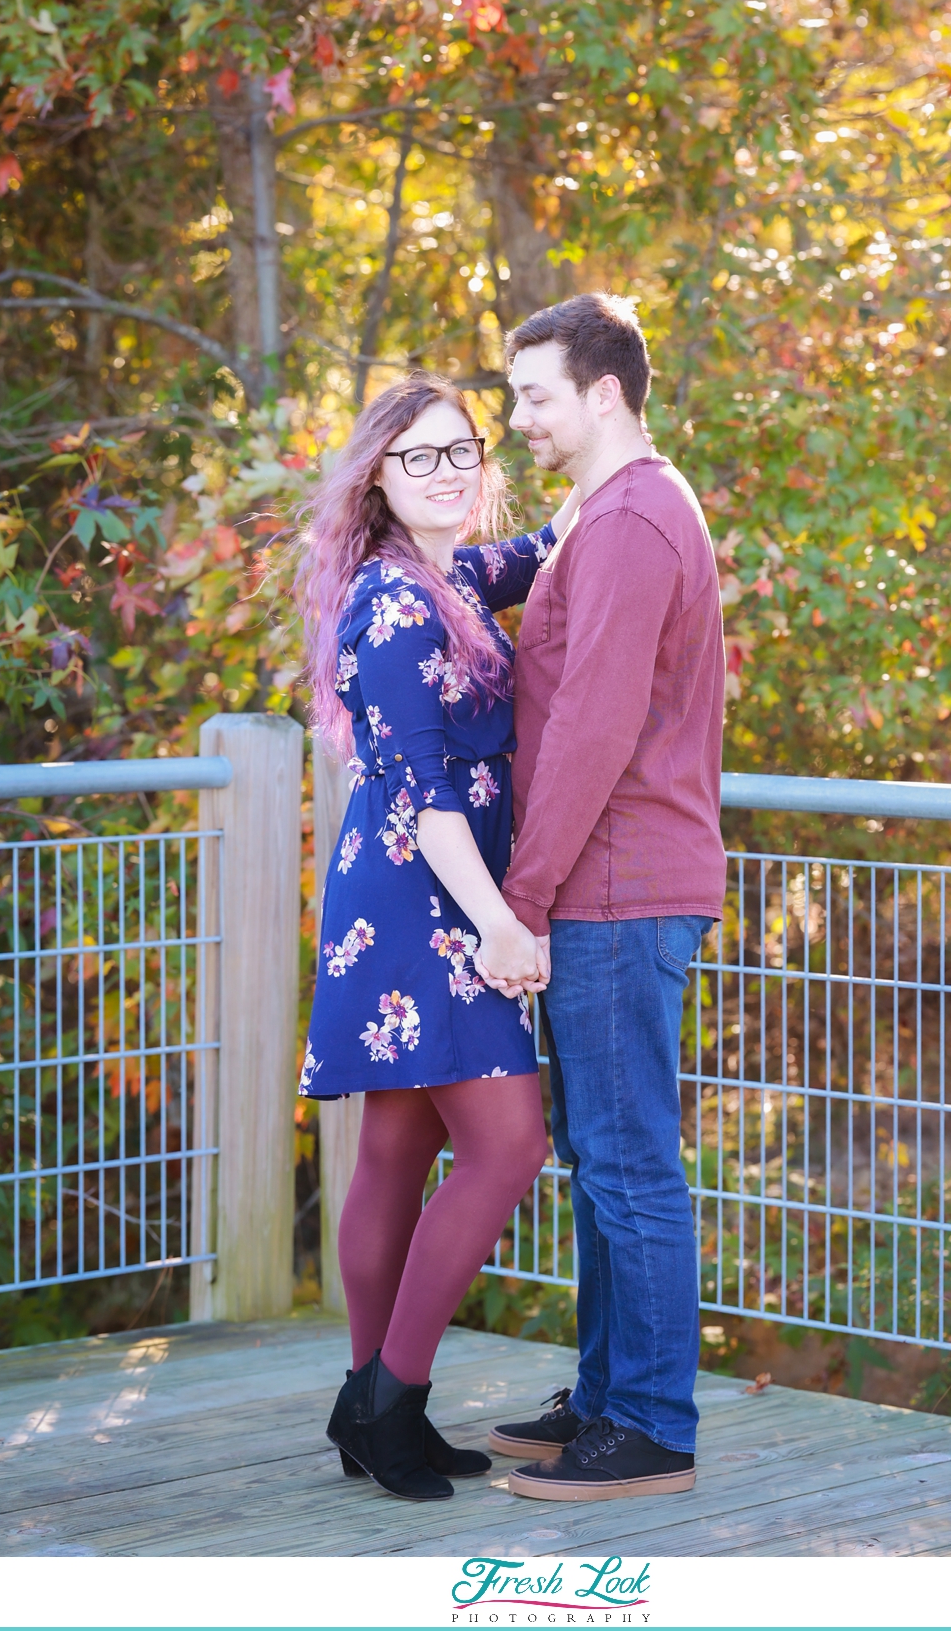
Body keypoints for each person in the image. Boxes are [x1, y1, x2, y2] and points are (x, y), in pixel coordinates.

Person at [295, 372, 577, 1502]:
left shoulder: (451, 571)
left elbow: (550, 542)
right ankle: (389, 1400)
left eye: (464, 449)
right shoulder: (394, 603)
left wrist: (622, 458)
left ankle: (372, 1407)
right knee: (507, 1147)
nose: (450, 471)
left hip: (419, 898)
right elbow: (421, 793)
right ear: (378, 475)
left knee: (400, 1151)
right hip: (430, 902)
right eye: (420, 457)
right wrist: (502, 923)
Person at [486, 293, 727, 1501]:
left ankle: (651, 1427)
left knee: (627, 1159)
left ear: (604, 395)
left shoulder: (632, 520)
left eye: (533, 394)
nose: (516, 415)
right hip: (603, 884)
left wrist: (520, 897)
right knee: (602, 1154)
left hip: (618, 888)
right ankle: (604, 1395)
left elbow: (592, 724)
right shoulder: (603, 511)